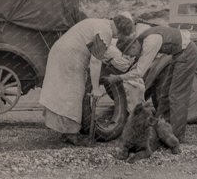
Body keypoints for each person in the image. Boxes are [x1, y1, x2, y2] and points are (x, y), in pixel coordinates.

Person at [38, 13, 134, 144]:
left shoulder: (101, 22)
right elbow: (95, 61)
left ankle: (66, 131)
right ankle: (72, 135)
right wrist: (95, 88)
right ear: (121, 32)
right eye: (123, 35)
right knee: (74, 92)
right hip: (69, 57)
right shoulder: (105, 32)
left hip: (61, 52)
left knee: (64, 92)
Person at [121, 21, 197, 141]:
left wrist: (119, 78)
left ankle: (176, 137)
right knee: (164, 93)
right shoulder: (143, 39)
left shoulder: (150, 41)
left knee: (176, 95)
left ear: (133, 45)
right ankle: (160, 128)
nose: (131, 56)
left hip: (187, 53)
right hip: (177, 55)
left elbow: (140, 71)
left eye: (130, 53)